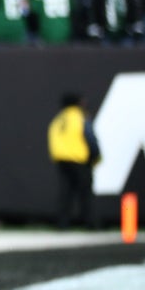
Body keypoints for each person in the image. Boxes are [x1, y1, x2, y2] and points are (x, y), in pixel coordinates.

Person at [47, 93, 98, 229]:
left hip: (61, 160)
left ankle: (62, 223)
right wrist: (95, 155)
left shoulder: (58, 119)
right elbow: (90, 137)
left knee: (65, 192)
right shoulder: (80, 117)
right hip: (79, 159)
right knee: (85, 192)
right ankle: (90, 222)